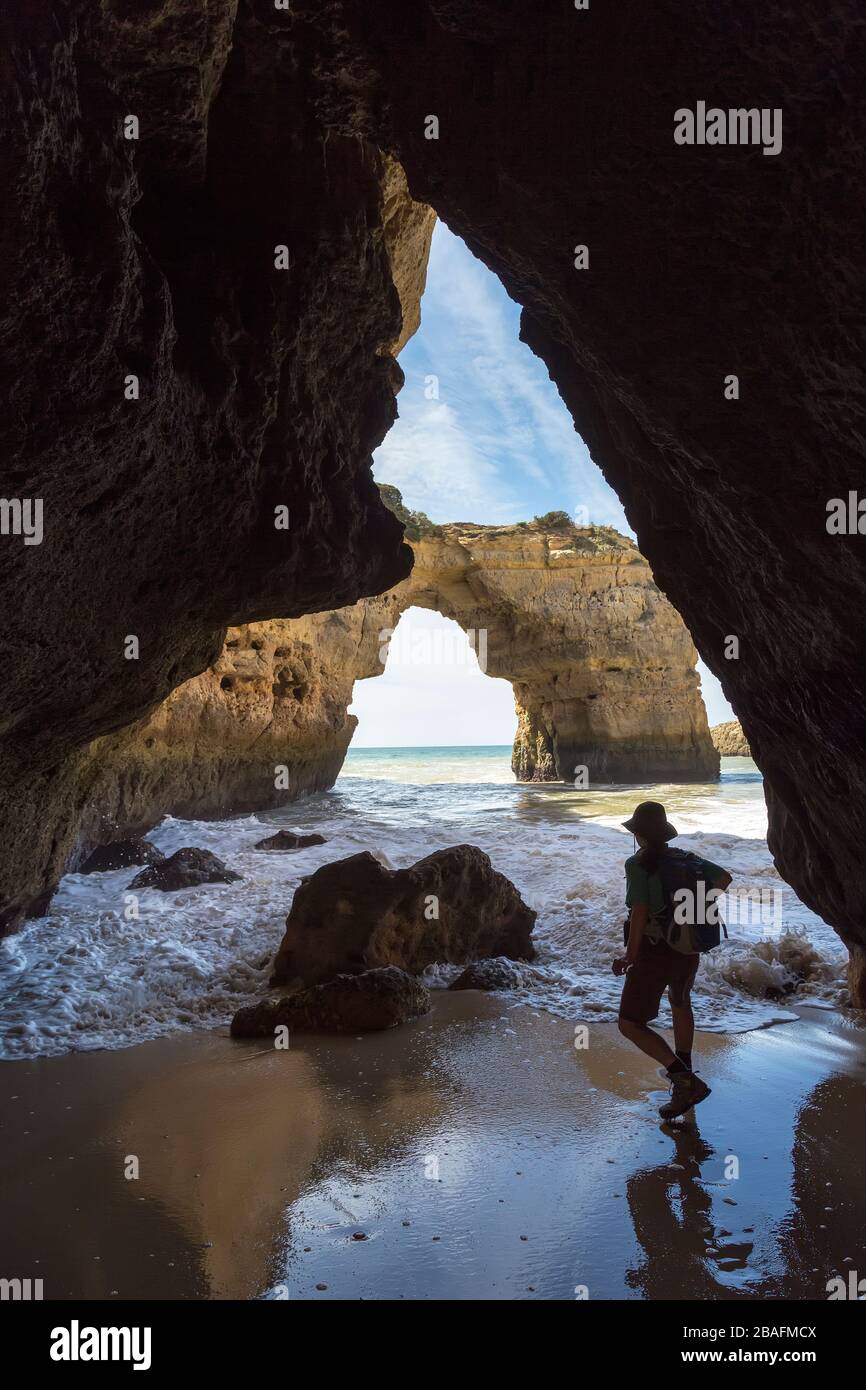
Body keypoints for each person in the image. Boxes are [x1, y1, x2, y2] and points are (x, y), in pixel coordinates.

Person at [613, 800, 732, 1120]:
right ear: (664, 833)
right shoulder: (687, 859)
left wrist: (630, 956)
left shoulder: (637, 865)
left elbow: (639, 913)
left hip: (654, 951)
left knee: (629, 1023)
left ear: (637, 833)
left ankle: (684, 1080)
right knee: (680, 1003)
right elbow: (724, 878)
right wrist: (691, 911)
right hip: (686, 948)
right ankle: (685, 1077)